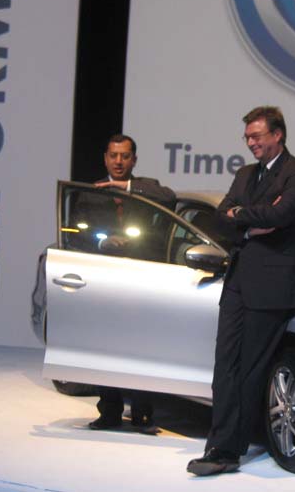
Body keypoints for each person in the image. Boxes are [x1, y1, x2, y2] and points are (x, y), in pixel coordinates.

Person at [187, 106, 295, 476]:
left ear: (278, 134)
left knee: (248, 369)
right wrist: (249, 221)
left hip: (274, 285)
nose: (250, 143)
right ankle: (218, 444)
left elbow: (281, 216)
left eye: (257, 136)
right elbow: (220, 217)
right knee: (224, 367)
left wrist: (242, 214)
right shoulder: (245, 173)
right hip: (238, 281)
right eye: (247, 137)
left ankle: (228, 451)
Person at [86, 134, 176, 434]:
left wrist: (125, 188)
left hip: (140, 279)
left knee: (141, 346)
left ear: (134, 160)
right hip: (104, 278)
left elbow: (169, 198)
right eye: (113, 155)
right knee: (105, 346)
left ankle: (142, 414)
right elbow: (79, 233)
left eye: (125, 156)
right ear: (105, 158)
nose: (119, 161)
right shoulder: (91, 193)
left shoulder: (146, 188)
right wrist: (102, 242)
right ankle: (109, 411)